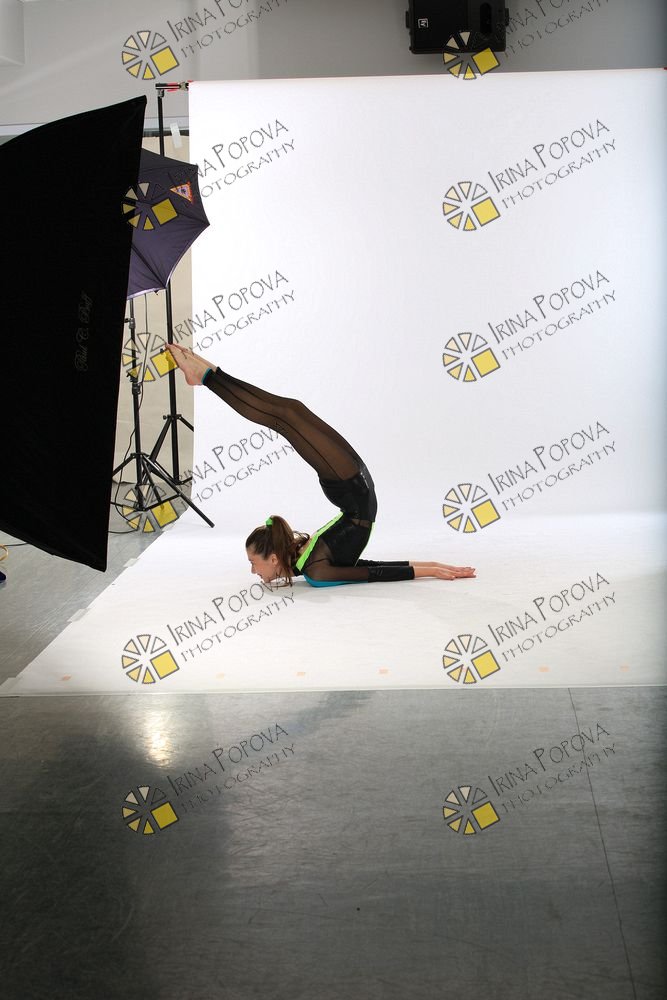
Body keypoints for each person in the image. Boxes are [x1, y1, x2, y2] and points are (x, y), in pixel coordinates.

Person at [167, 343, 476, 588]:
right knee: (287, 415)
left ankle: (207, 372)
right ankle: (205, 375)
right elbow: (373, 571)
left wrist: (432, 568)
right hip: (352, 488)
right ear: (273, 559)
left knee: (289, 413)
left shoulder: (307, 563)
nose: (252, 571)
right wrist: (433, 568)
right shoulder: (316, 572)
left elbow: (370, 569)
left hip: (350, 489)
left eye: (252, 563)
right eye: (252, 563)